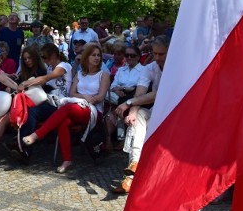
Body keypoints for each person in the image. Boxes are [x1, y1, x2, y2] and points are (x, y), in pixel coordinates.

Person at [21, 43, 110, 173]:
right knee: (63, 122)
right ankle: (67, 160)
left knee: (68, 108)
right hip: (78, 105)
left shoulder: (103, 75)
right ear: (87, 57)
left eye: (98, 55)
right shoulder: (80, 74)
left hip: (94, 111)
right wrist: (84, 96)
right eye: (93, 55)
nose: (96, 58)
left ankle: (37, 135)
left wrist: (86, 98)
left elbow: (101, 97)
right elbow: (72, 93)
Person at [112, 35, 169, 194]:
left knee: (140, 114)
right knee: (137, 119)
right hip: (157, 111)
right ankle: (134, 166)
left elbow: (158, 94)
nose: (157, 58)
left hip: (176, 112)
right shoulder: (149, 68)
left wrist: (129, 103)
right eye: (155, 54)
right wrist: (132, 113)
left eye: (161, 54)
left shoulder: (176, 68)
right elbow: (140, 92)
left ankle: (130, 178)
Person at [0, 47, 46, 161]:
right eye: (25, 58)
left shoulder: (41, 71)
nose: (27, 61)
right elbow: (5, 81)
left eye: (30, 58)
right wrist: (18, 87)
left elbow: (7, 79)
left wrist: (17, 86)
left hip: (26, 103)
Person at [104, 45, 144, 150]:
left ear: (138, 56)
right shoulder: (121, 70)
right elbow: (113, 86)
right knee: (112, 111)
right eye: (127, 55)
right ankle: (110, 139)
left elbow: (138, 88)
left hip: (134, 98)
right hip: (118, 97)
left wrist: (122, 89)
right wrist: (119, 90)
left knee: (118, 109)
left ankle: (121, 139)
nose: (129, 58)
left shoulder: (144, 70)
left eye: (132, 55)